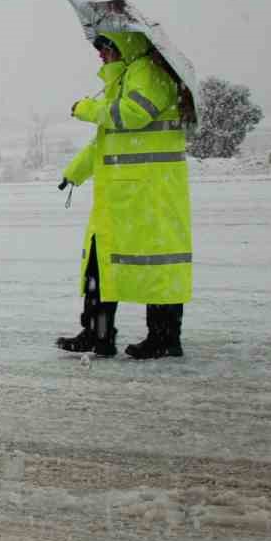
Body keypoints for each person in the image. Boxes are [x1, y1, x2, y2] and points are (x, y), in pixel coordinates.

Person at [55, 31, 192, 359]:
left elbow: (131, 115)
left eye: (104, 48)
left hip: (149, 194)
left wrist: (87, 108)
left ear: (123, 45)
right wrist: (74, 172)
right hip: (123, 195)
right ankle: (97, 334)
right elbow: (107, 140)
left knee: (158, 265)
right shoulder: (127, 76)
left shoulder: (149, 72)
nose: (100, 55)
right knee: (100, 265)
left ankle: (164, 339)